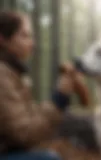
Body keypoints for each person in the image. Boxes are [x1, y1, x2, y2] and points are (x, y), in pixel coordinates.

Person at [0, 11, 78, 160]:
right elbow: (24, 135)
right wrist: (58, 100)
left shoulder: (13, 73)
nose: (32, 43)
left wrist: (59, 100)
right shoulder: (2, 76)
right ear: (2, 39)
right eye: (24, 35)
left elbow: (27, 119)